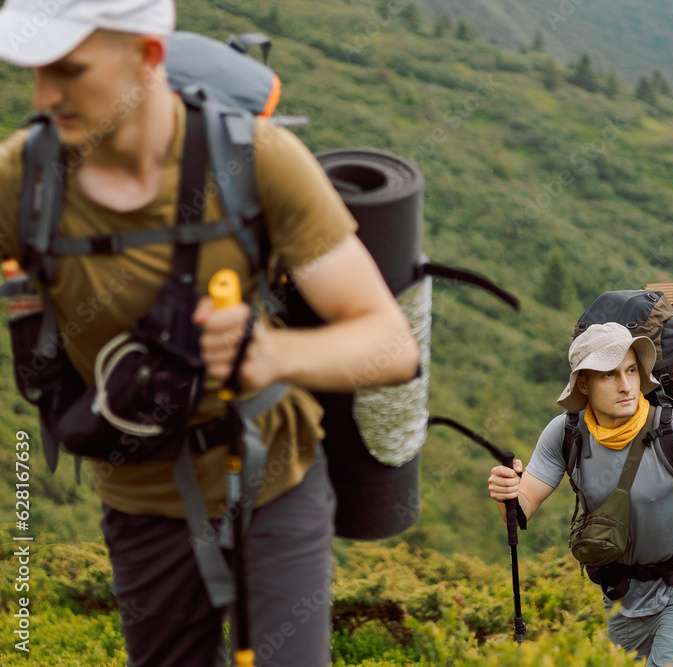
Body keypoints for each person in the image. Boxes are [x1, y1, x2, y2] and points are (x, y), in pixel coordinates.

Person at [0, 1, 419, 665]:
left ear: (147, 57)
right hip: (136, 500)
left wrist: (269, 351)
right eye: (36, 73)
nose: (44, 95)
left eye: (69, 71)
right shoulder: (23, 180)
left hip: (272, 481)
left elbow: (391, 344)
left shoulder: (259, 162)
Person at [488, 322, 673, 666]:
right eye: (609, 375)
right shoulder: (565, 434)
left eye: (631, 370)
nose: (626, 386)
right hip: (622, 592)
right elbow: (521, 509)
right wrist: (505, 493)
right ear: (583, 382)